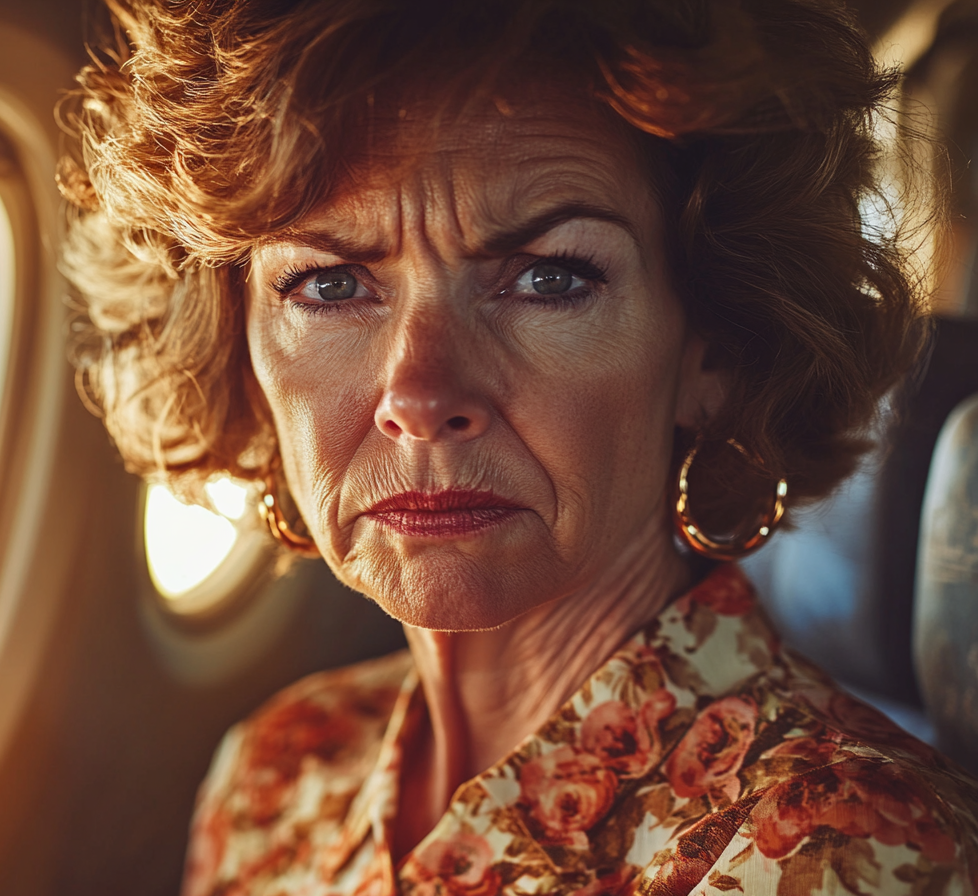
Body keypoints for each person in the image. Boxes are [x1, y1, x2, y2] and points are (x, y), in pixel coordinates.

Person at [57, 0, 978, 892]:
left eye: (548, 278)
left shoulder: (837, 839)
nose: (420, 397)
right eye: (331, 285)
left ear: (717, 350)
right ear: (236, 352)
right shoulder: (281, 769)